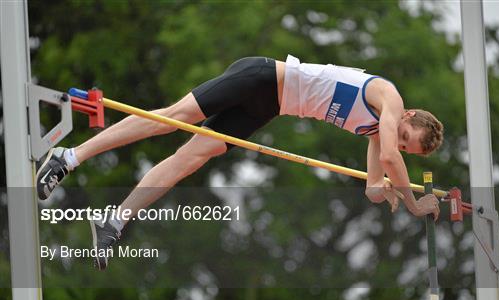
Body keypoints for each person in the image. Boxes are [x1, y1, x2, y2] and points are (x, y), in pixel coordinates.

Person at [36, 55, 443, 270]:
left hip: (270, 107)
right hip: (261, 77)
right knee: (171, 119)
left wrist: (385, 191)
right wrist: (413, 201)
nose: (399, 146)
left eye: (409, 150)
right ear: (407, 118)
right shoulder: (390, 98)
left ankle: (115, 220)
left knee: (191, 158)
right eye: (406, 138)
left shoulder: (375, 133)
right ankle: (68, 157)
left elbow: (375, 181)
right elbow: (389, 156)